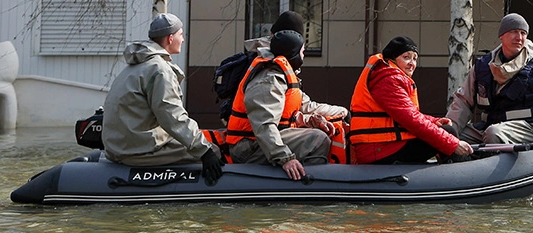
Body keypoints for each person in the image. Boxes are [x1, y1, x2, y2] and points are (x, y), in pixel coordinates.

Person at [101, 13, 224, 184]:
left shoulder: (135, 66)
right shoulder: (160, 70)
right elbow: (172, 116)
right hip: (139, 151)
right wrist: (205, 151)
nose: (183, 40)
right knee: (216, 152)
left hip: (120, 147)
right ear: (170, 38)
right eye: (181, 35)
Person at [446, 13, 533, 155]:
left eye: (523, 33)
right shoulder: (482, 67)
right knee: (453, 137)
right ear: (501, 35)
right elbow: (463, 101)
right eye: (514, 32)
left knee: (494, 133)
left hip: (528, 129)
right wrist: (448, 132)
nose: (519, 38)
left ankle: (496, 173)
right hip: (489, 126)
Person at [225, 29, 348, 180]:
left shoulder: (282, 76)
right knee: (317, 138)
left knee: (318, 132)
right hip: (248, 148)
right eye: (302, 52)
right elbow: (264, 125)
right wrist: (285, 158)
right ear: (294, 54)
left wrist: (343, 112)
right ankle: (307, 181)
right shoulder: (269, 80)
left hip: (259, 143)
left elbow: (307, 106)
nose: (304, 56)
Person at [349, 36, 474, 164]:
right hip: (379, 149)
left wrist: (434, 121)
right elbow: (411, 120)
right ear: (392, 58)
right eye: (406, 57)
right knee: (448, 132)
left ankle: (451, 170)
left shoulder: (387, 75)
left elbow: (407, 115)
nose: (412, 63)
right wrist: (453, 144)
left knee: (445, 128)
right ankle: (461, 176)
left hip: (382, 145)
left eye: (414, 58)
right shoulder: (387, 80)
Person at [214, 10, 306, 125]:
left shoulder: (259, 55)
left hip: (238, 120)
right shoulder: (269, 63)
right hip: (247, 129)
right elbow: (264, 122)